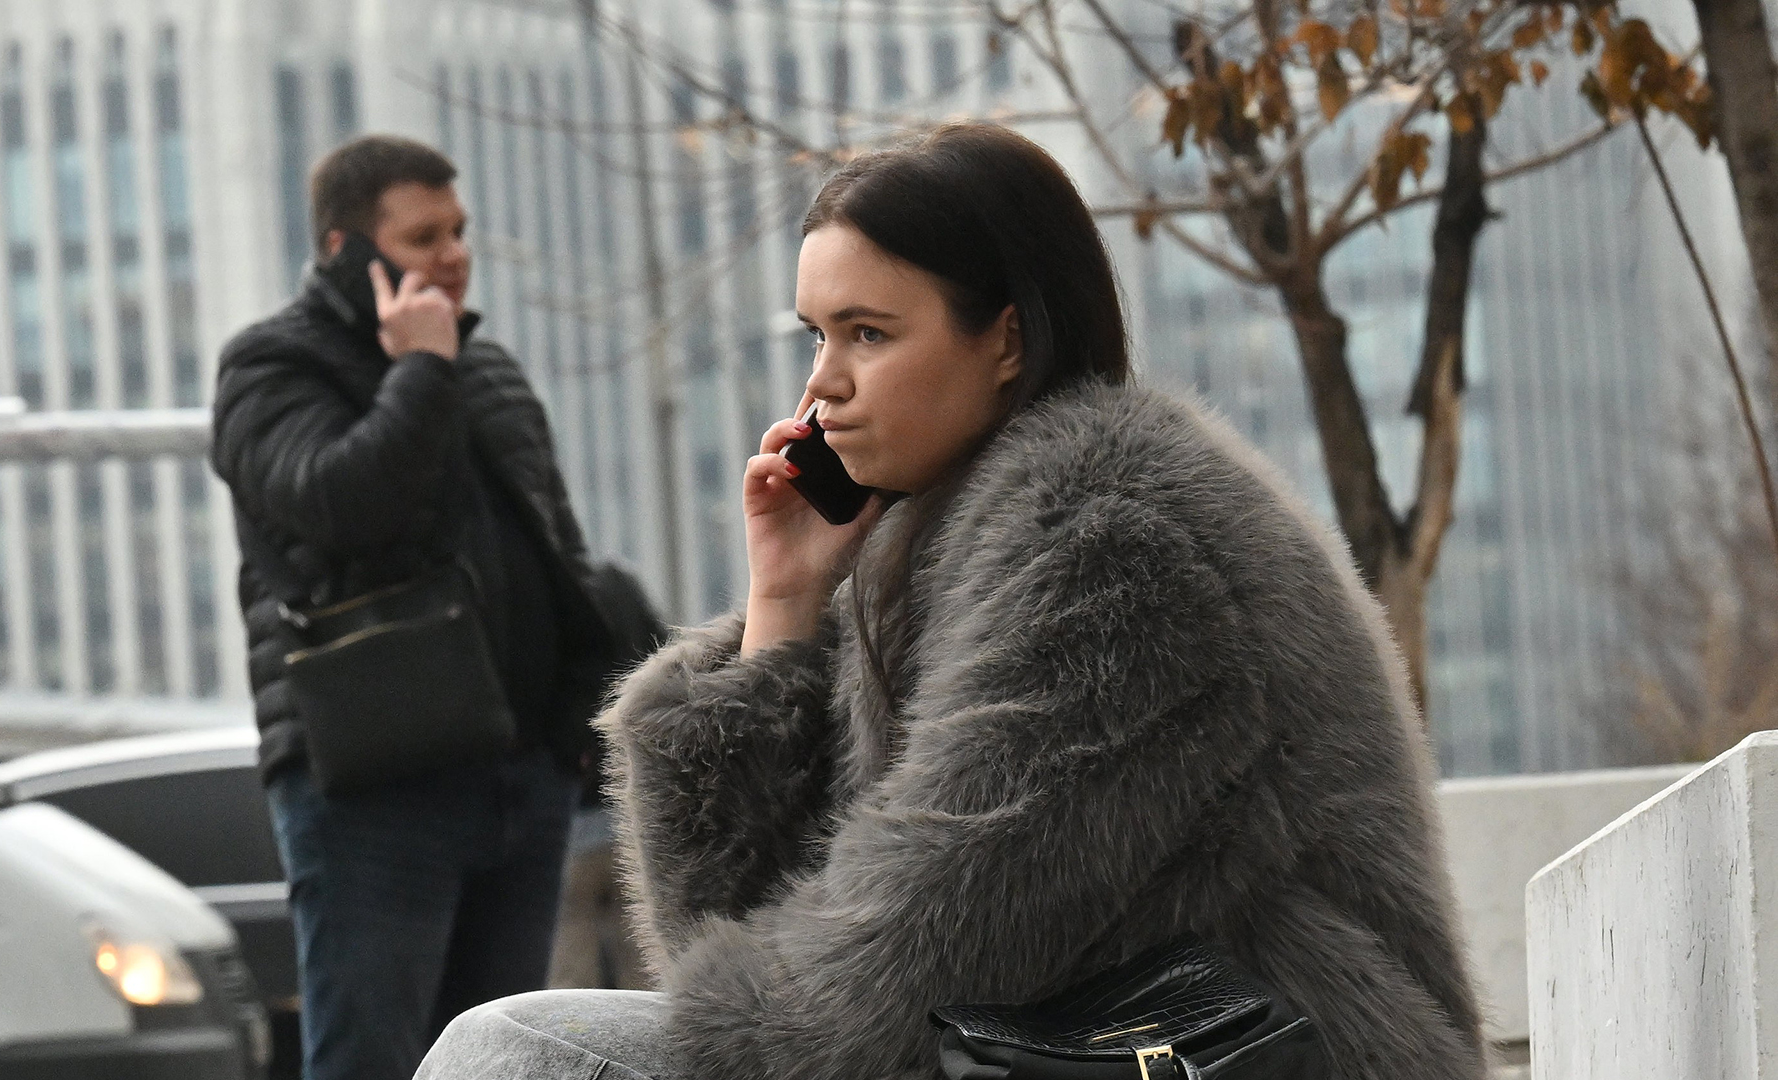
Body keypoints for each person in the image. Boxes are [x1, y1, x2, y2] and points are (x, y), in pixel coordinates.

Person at [417, 123, 1486, 1080]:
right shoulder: (928, 541)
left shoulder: (1117, 543)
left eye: (869, 335)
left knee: (516, 1051)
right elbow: (766, 949)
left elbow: (870, 998)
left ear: (1007, 341)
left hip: (1245, 1058)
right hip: (1053, 1051)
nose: (822, 385)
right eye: (816, 335)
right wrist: (784, 605)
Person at [211, 135, 621, 1080]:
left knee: (500, 1062)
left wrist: (570, 730)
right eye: (423, 237)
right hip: (375, 787)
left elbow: (556, 554)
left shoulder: (487, 368)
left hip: (521, 781)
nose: (453, 255)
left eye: (458, 231)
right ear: (345, 249)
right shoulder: (271, 368)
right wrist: (421, 371)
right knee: (370, 1060)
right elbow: (341, 507)